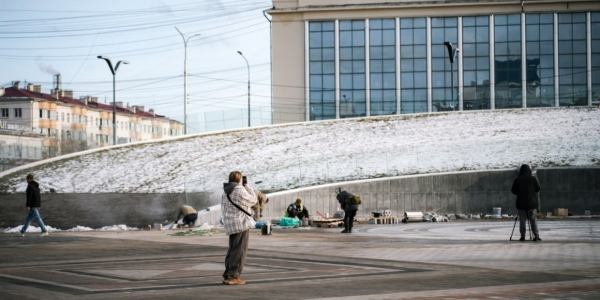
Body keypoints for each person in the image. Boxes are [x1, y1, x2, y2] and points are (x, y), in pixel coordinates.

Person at [221, 171, 257, 285]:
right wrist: (248, 187)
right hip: (241, 224)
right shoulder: (239, 190)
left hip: (231, 225)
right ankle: (234, 276)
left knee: (233, 249)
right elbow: (253, 200)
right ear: (239, 179)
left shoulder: (225, 192)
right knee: (240, 250)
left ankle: (228, 274)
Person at [511, 164, 541, 242]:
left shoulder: (517, 180)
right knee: (533, 220)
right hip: (532, 203)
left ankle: (523, 236)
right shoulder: (533, 179)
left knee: (522, 221)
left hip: (521, 204)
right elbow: (538, 189)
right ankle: (536, 236)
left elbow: (513, 191)